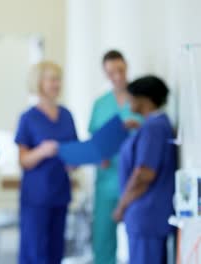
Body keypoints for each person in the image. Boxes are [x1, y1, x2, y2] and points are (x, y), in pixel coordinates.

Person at [15, 61, 78, 264]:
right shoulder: (28, 118)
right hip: (36, 197)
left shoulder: (67, 115)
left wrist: (76, 161)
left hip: (60, 193)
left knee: (56, 251)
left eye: (58, 79)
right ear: (39, 82)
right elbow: (23, 161)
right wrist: (42, 151)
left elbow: (73, 154)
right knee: (35, 251)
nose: (57, 84)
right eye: (52, 79)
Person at [114, 76, 176, 264]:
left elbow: (143, 175)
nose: (128, 101)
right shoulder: (153, 126)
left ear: (145, 99)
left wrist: (121, 206)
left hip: (146, 218)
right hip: (149, 218)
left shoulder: (153, 128)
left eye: (131, 97)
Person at [88, 50, 142, 264]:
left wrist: (137, 125)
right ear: (105, 73)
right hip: (107, 180)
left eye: (120, 70)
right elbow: (94, 143)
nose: (117, 76)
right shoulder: (100, 104)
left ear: (126, 66)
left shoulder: (140, 99)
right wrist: (98, 157)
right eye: (111, 72)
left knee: (137, 240)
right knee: (103, 241)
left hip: (137, 179)